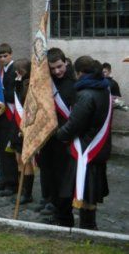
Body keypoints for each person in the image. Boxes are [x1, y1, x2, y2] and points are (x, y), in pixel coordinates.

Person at [56, 56, 112, 230]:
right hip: (97, 148)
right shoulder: (104, 89)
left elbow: (75, 123)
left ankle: (79, 227)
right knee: (90, 195)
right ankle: (89, 226)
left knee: (78, 192)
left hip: (84, 150)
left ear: (79, 73)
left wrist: (59, 134)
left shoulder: (86, 94)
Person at [38, 47, 77, 226]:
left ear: (65, 62)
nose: (57, 71)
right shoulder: (46, 82)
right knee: (49, 173)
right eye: (52, 68)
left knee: (63, 178)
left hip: (65, 139)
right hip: (48, 138)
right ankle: (54, 207)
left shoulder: (74, 83)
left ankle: (64, 216)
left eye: (59, 66)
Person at [0, 43, 18, 197]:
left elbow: (14, 95)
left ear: (10, 54)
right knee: (2, 150)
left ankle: (12, 184)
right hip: (2, 116)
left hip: (11, 116)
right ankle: (5, 180)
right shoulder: (2, 70)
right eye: (0, 57)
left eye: (5, 56)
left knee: (9, 152)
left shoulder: (14, 70)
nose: (2, 59)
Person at [9, 58, 34, 204]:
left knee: (26, 161)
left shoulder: (30, 85)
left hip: (25, 126)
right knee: (18, 159)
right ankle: (21, 189)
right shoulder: (19, 84)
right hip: (16, 125)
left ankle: (27, 193)